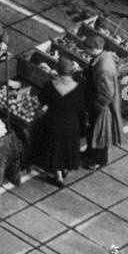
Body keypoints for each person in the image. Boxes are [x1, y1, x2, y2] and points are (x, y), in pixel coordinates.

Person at [30, 56, 84, 187]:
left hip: (54, 122)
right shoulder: (78, 88)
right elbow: (81, 107)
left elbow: (42, 100)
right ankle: (65, 169)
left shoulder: (51, 85)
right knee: (67, 147)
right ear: (72, 71)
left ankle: (58, 177)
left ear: (58, 71)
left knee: (55, 149)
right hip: (72, 123)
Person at [84, 35, 122, 170]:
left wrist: (97, 105)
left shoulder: (104, 68)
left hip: (100, 105)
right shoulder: (103, 57)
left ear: (94, 49)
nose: (85, 51)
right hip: (96, 101)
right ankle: (90, 153)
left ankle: (97, 159)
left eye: (87, 49)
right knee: (92, 131)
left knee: (99, 132)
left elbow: (107, 92)